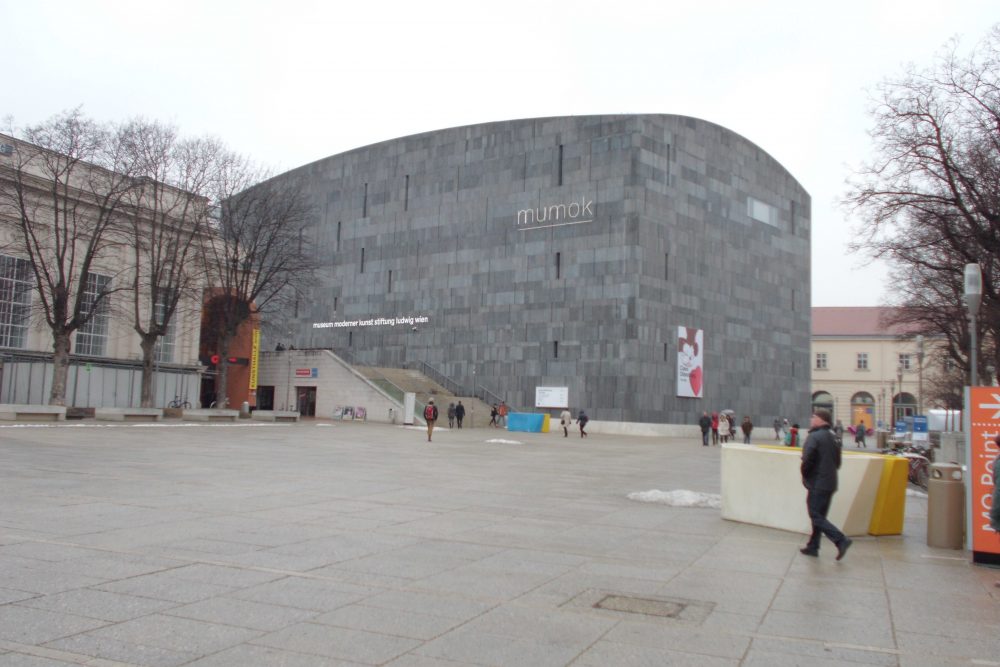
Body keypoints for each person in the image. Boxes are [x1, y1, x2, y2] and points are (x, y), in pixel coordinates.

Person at [799, 408, 852, 560]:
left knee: (815, 515)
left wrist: (805, 475)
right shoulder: (833, 436)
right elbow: (838, 462)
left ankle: (840, 540)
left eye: (813, 417)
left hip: (818, 482)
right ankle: (813, 546)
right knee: (820, 515)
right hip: (830, 482)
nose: (811, 419)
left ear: (821, 420)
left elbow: (807, 459)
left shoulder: (814, 436)